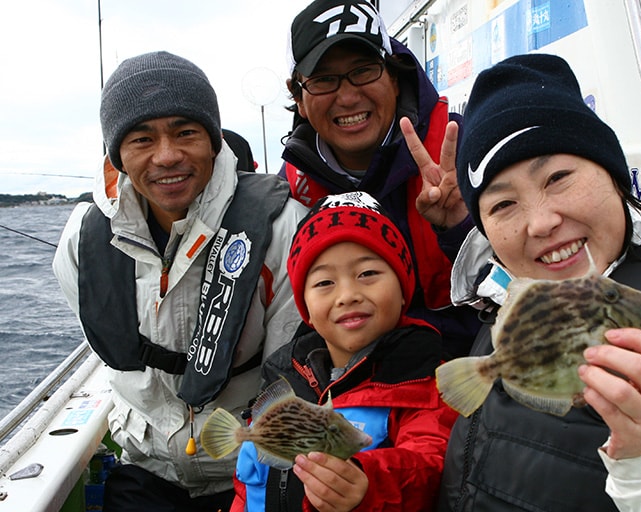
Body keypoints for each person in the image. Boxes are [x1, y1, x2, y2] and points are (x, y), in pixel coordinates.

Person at [428, 53, 641, 511]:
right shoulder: (508, 300)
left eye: (558, 178)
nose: (541, 222)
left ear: (611, 171)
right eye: (503, 205)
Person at [52, 51, 308, 511]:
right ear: (117, 155)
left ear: (213, 140)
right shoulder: (80, 241)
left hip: (247, 471)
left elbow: (288, 377)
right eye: (141, 139)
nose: (166, 156)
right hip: (144, 467)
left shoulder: (283, 228)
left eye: (186, 132)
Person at [231, 191, 460, 511]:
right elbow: (247, 486)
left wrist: (371, 485)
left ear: (403, 287)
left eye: (367, 274)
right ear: (305, 308)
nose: (348, 295)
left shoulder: (433, 382)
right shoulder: (282, 377)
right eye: (325, 282)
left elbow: (432, 465)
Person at [280, 0, 480, 359]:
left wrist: (462, 228)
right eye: (324, 80)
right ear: (299, 97)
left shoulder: (466, 149)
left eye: (364, 70)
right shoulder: (288, 194)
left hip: (474, 376)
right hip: (356, 392)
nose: (348, 96)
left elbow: (528, 284)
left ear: (394, 76)